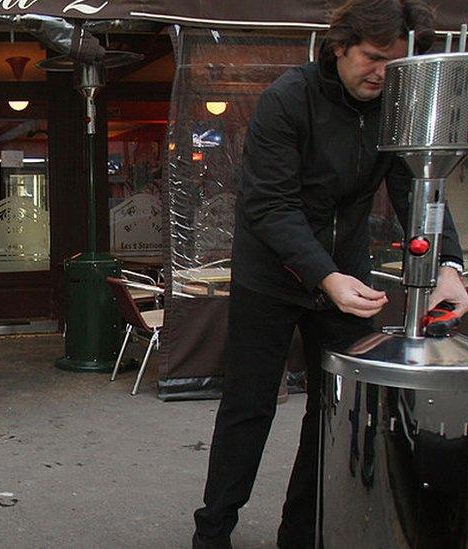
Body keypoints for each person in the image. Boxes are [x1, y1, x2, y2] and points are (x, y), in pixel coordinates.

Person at [192, 1, 468, 548]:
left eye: (397, 63)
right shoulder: (287, 100)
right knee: (249, 406)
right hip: (271, 276)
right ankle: (213, 531)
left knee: (334, 411)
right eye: (372, 57)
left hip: (346, 279)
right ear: (340, 44)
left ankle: (301, 532)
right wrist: (325, 275)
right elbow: (269, 205)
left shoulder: (398, 101)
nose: (384, 73)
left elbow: (418, 185)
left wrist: (451, 266)